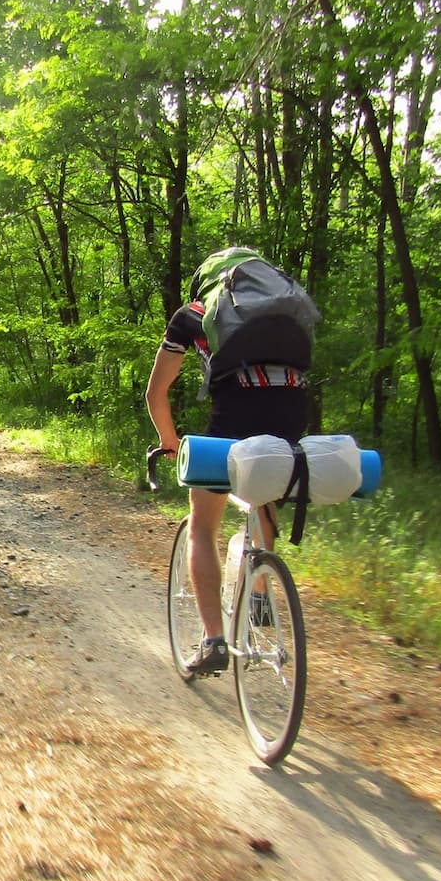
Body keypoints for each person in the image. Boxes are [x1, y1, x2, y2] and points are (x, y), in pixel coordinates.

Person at [145, 248, 310, 675]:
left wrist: (169, 440)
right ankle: (258, 591)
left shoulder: (193, 314)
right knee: (265, 487)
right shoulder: (283, 306)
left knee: (202, 525)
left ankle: (214, 639)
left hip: (234, 416)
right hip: (293, 412)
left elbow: (156, 392)